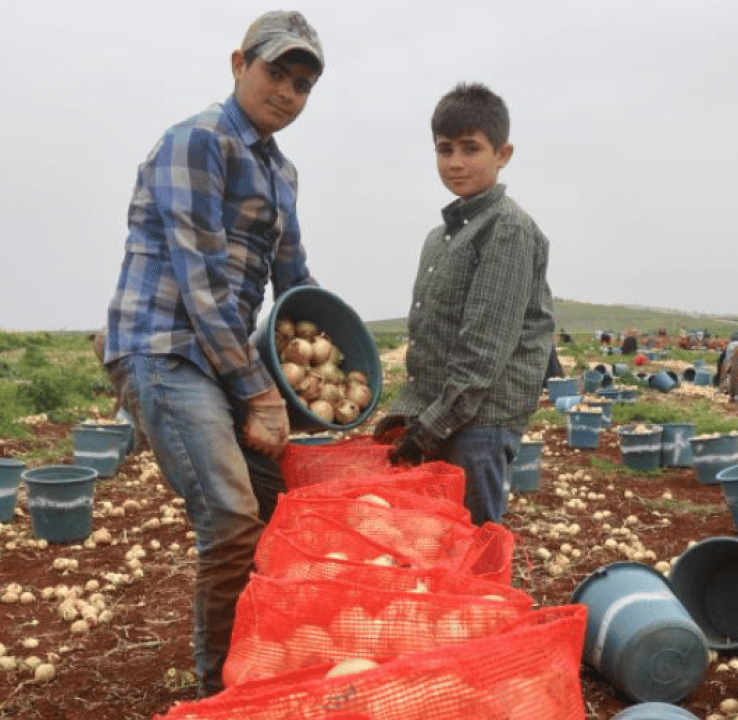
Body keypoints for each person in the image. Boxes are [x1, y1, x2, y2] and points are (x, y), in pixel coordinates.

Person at [100, 10, 324, 698]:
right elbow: (200, 284)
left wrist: (326, 355)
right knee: (230, 519)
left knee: (275, 504)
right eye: (275, 72)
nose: (287, 92)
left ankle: (258, 659)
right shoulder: (197, 141)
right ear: (238, 64)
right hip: (165, 346)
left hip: (220, 354)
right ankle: (221, 694)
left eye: (302, 84)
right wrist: (260, 393)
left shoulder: (281, 171)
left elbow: (295, 282)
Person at [372, 82, 555, 525]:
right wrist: (407, 412)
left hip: (482, 424)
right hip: (445, 414)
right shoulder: (440, 238)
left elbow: (482, 353)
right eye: (445, 149)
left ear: (502, 154)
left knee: (472, 539)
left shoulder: (506, 229)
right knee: (437, 536)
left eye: (471, 148)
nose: (455, 162)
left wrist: (428, 429)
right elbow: (431, 338)